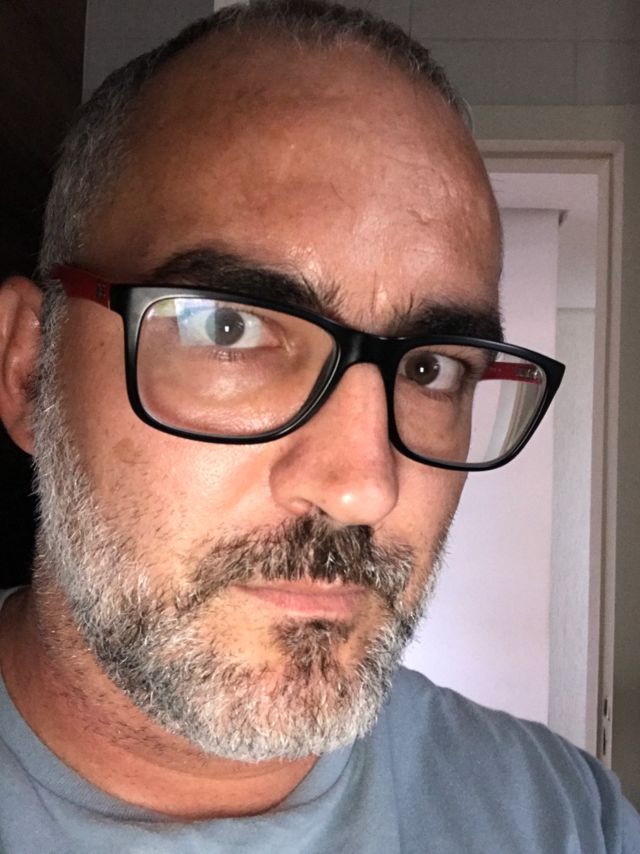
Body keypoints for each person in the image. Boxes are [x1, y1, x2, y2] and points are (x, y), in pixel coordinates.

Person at [0, 1, 637, 851]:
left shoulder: (563, 817)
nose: (363, 488)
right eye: (230, 328)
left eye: (430, 369)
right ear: (29, 368)